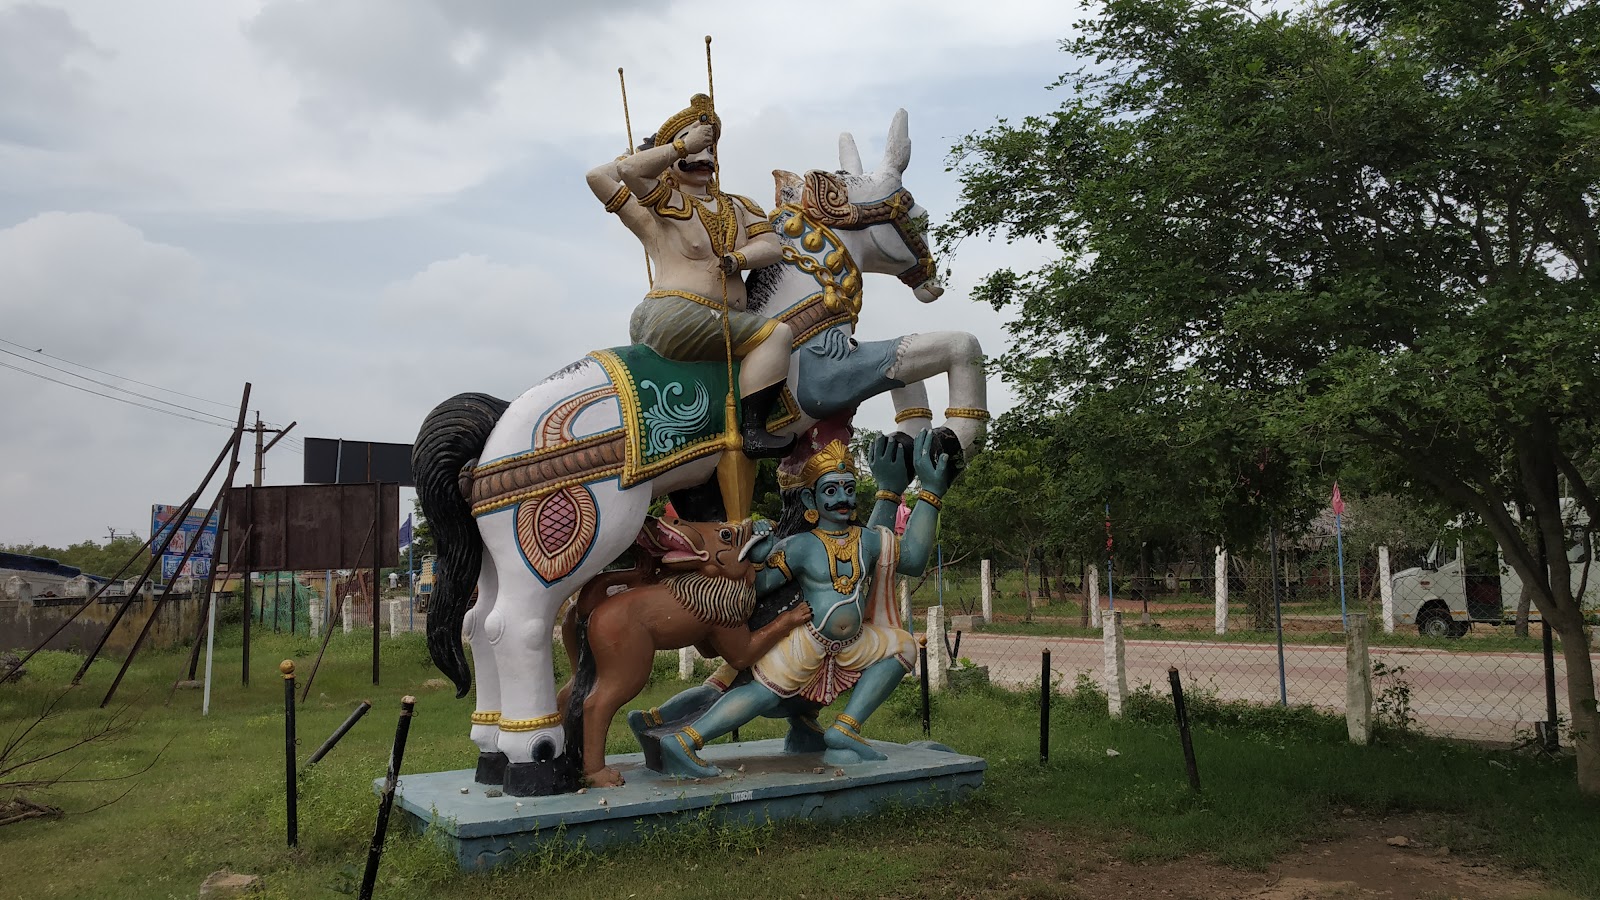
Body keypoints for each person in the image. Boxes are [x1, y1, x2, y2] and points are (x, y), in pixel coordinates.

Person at [655, 430, 958, 778]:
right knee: (763, 694)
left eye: (847, 489)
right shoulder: (800, 546)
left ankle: (844, 729)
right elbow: (761, 588)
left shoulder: (867, 539)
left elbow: (913, 558)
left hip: (851, 644)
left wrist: (925, 492)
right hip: (807, 640)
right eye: (830, 491)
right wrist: (755, 556)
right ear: (811, 502)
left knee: (902, 647)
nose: (841, 499)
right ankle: (684, 741)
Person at [587, 93, 794, 459]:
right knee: (777, 335)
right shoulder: (664, 202)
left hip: (720, 317)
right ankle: (754, 430)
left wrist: (738, 258)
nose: (705, 159)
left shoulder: (740, 205)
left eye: (711, 149)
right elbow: (613, 174)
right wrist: (673, 146)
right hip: (679, 312)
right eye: (697, 151)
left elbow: (772, 246)